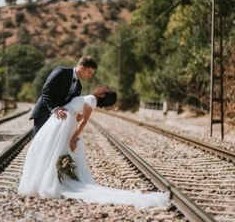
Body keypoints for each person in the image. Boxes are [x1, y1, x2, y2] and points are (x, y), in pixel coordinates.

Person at [18, 85, 169, 209]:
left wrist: (74, 137)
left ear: (103, 94)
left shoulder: (91, 98)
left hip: (65, 125)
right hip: (63, 123)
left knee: (51, 151)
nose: (102, 86)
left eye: (105, 88)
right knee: (51, 151)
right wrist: (78, 117)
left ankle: (49, 181)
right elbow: (81, 115)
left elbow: (84, 122)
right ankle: (48, 179)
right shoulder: (90, 99)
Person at [29, 56, 98, 136]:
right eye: (89, 72)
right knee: (38, 141)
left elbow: (72, 103)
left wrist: (81, 114)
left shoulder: (79, 86)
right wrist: (55, 109)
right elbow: (46, 90)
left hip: (58, 118)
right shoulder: (62, 71)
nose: (90, 76)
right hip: (44, 112)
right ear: (82, 67)